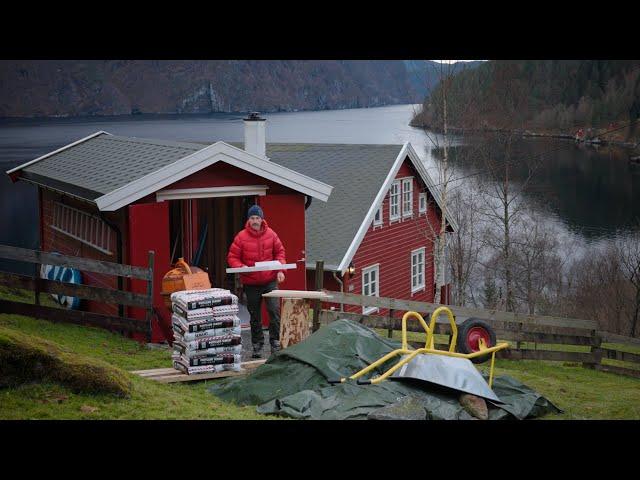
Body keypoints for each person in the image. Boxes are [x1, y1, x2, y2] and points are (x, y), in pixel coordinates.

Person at [227, 205, 286, 358]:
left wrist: (280, 270)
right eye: (252, 218)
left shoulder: (272, 235)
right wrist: (242, 267)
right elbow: (232, 257)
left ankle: (275, 342)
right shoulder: (241, 237)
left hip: (270, 281)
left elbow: (280, 253)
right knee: (255, 316)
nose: (255, 221)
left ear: (262, 219)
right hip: (251, 283)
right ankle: (257, 345)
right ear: (249, 219)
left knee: (274, 312)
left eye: (257, 218)